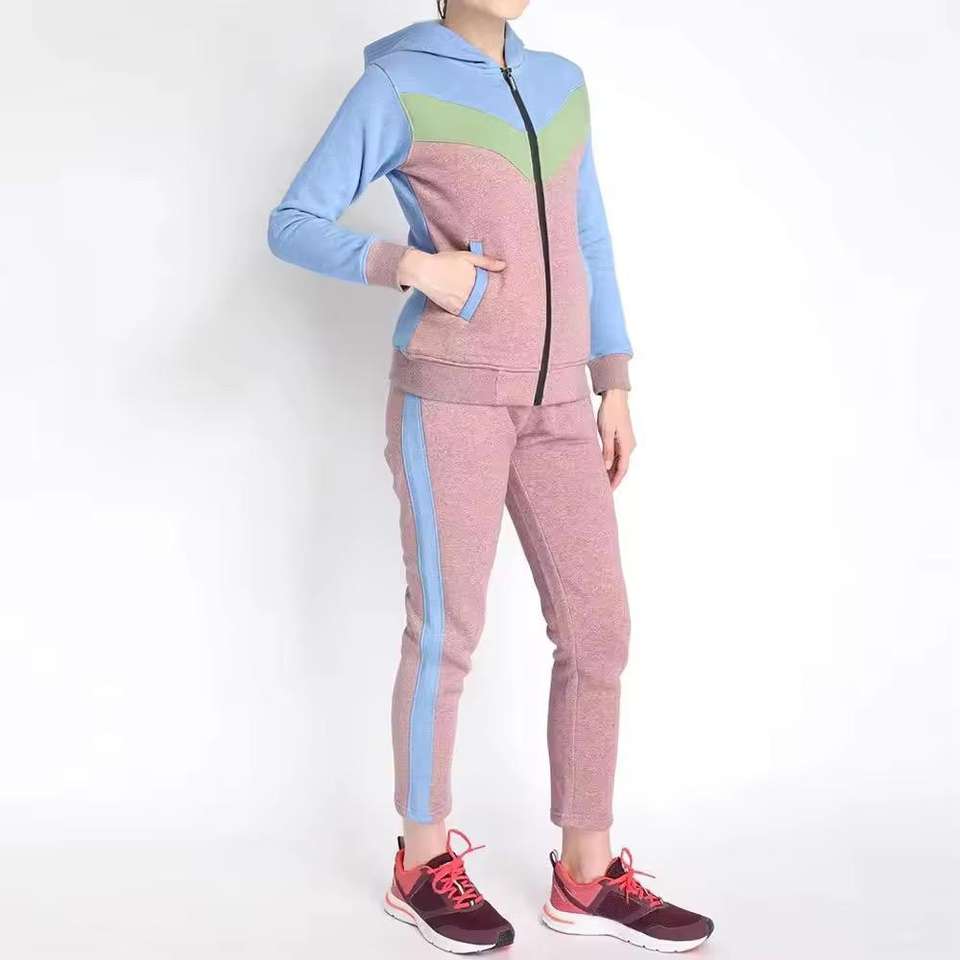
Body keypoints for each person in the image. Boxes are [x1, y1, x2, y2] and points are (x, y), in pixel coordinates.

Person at [268, 0, 713, 953]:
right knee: (447, 632)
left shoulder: (562, 84)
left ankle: (586, 876)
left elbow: (589, 239)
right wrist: (413, 266)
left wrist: (613, 380)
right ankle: (421, 862)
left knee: (599, 631)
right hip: (452, 398)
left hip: (561, 407)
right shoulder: (397, 82)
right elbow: (292, 221)